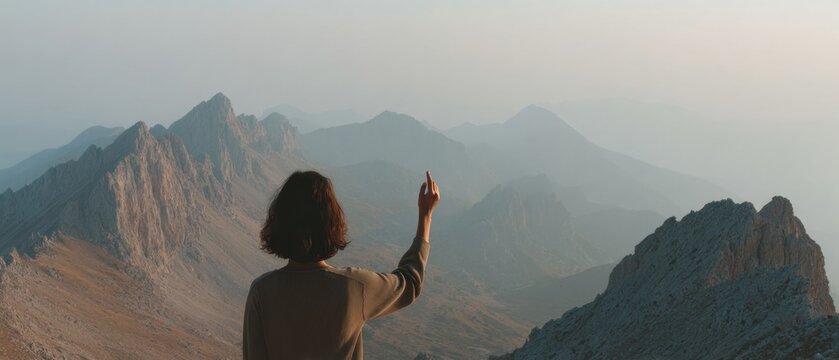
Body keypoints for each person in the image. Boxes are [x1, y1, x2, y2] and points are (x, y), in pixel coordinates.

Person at [243, 170, 441, 360]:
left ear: (279, 223)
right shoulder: (354, 287)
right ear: (331, 223)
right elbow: (409, 282)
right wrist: (425, 216)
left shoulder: (262, 292)